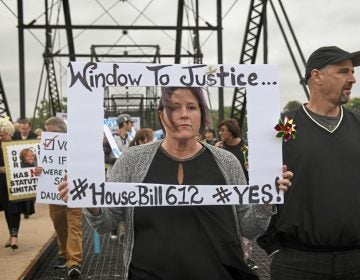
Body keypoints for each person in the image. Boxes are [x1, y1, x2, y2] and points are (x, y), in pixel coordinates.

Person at [59, 87, 293, 280]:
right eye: (174, 107)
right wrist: (90, 201)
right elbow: (105, 223)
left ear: (201, 115)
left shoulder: (227, 162)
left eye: (191, 107)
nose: (184, 114)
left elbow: (249, 228)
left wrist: (265, 201)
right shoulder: (132, 160)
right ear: (162, 114)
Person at [257, 46, 360, 279]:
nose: (353, 79)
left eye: (352, 72)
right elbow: (261, 187)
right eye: (343, 71)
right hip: (298, 261)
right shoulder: (282, 127)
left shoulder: (358, 125)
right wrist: (272, 249)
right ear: (317, 76)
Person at [44, 117, 83, 279]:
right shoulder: (44, 146)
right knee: (59, 224)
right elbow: (39, 165)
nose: (49, 136)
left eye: (52, 132)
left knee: (74, 224)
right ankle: (64, 253)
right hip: (54, 192)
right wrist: (39, 170)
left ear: (62, 131)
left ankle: (74, 262)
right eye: (47, 133)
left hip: (74, 190)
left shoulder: (76, 145)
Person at [216, 118, 256, 269]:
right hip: (225, 192)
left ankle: (246, 258)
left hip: (244, 189)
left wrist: (252, 167)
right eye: (220, 130)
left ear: (231, 132)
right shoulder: (219, 147)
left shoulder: (246, 147)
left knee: (245, 222)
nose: (220, 133)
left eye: (223, 130)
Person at [0, 117, 32, 251]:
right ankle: (11, 235)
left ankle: (14, 236)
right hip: (1, 184)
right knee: (7, 210)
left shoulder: (16, 147)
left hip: (14, 184)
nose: (1, 137)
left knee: (13, 209)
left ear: (9, 133)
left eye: (3, 134)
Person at [103, 113, 135, 239]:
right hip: (113, 174)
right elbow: (105, 158)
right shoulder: (110, 138)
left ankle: (123, 228)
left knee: (125, 200)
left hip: (127, 174)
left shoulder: (130, 138)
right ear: (125, 123)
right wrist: (119, 158)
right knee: (114, 201)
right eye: (130, 123)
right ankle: (114, 229)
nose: (132, 125)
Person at [12, 117, 37, 219]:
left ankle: (28, 211)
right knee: (21, 188)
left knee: (30, 190)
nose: (24, 131)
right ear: (20, 128)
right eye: (22, 129)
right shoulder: (15, 136)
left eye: (26, 129)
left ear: (29, 128)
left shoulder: (35, 137)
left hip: (32, 167)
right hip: (20, 167)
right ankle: (23, 210)